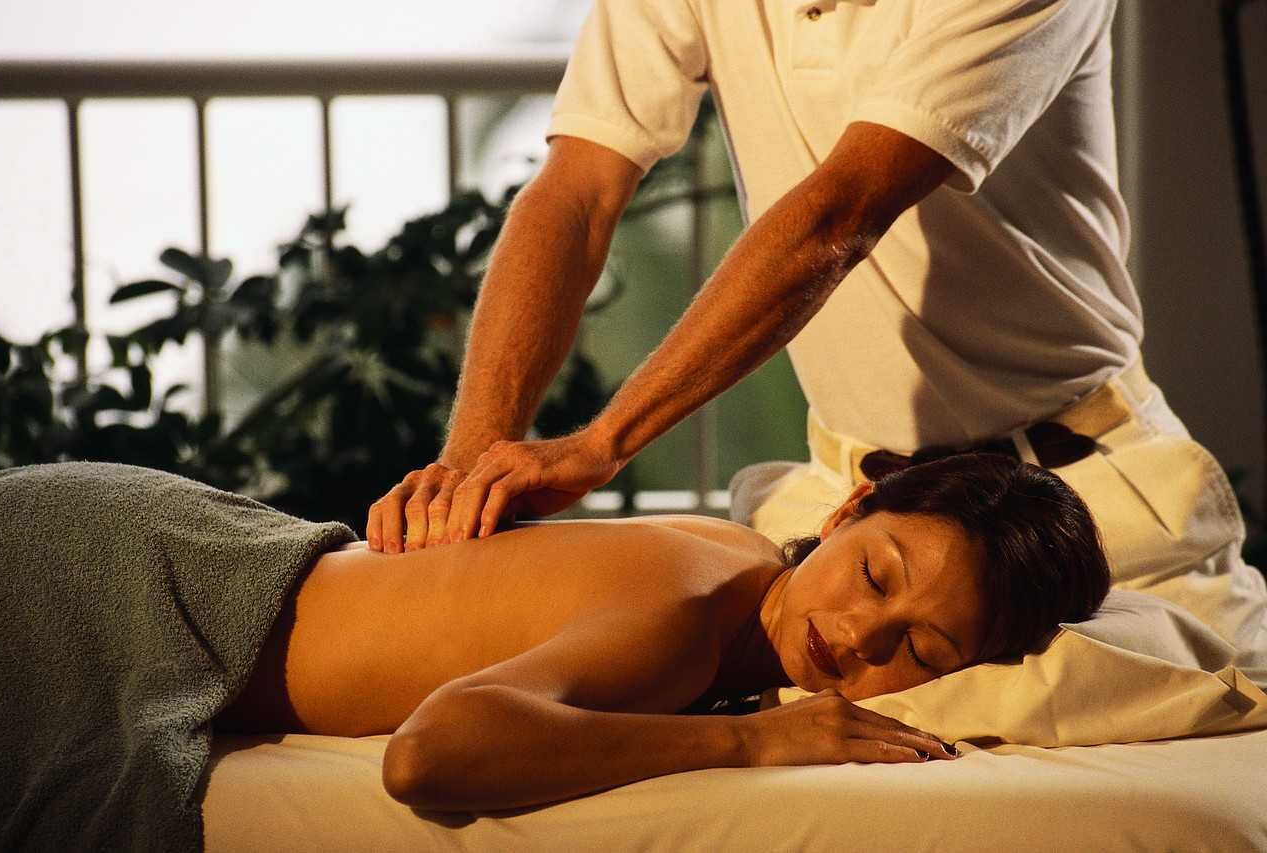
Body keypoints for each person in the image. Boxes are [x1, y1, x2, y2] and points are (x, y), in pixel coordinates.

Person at [367, 0, 1267, 687]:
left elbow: (842, 214)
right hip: (854, 520)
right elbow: (578, 190)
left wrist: (602, 442)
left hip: (1084, 506)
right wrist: (467, 473)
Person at [213, 453, 1110, 811]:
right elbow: (429, 754)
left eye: (921, 652)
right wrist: (753, 741)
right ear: (845, 511)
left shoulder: (743, 557)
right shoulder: (687, 622)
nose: (861, 635)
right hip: (185, 593)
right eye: (875, 575)